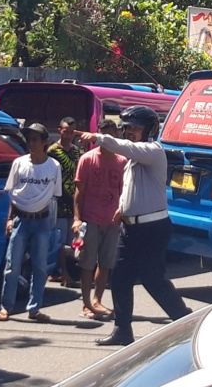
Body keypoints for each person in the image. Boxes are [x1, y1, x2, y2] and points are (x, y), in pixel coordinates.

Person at [76, 105, 191, 347]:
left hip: (151, 229)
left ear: (148, 130)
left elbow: (126, 147)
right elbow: (132, 189)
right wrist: (122, 208)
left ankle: (186, 323)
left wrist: (99, 137)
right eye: (127, 128)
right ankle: (122, 330)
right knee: (119, 277)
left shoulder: (153, 151)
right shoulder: (132, 162)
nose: (129, 133)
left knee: (153, 280)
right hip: (130, 229)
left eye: (135, 128)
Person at [0, 123, 61, 323]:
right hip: (21, 221)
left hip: (42, 222)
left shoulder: (54, 167)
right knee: (12, 266)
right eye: (29, 139)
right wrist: (9, 219)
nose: (31, 143)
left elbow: (54, 196)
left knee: (40, 267)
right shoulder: (19, 164)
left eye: (35, 139)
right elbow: (13, 194)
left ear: (44, 143)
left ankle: (34, 307)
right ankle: (6, 306)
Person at [72, 118, 125, 320]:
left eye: (112, 133)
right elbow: (79, 192)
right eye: (104, 133)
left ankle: (97, 300)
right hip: (90, 218)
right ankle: (86, 303)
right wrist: (77, 218)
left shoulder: (122, 161)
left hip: (112, 221)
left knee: (106, 264)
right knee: (87, 263)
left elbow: (124, 192)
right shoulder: (87, 159)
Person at [47, 117, 81, 287]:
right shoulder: (52, 151)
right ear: (59, 130)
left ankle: (63, 271)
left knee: (71, 241)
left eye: (71, 132)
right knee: (59, 241)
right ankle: (64, 274)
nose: (68, 136)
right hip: (58, 202)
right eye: (66, 132)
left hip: (73, 202)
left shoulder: (77, 152)